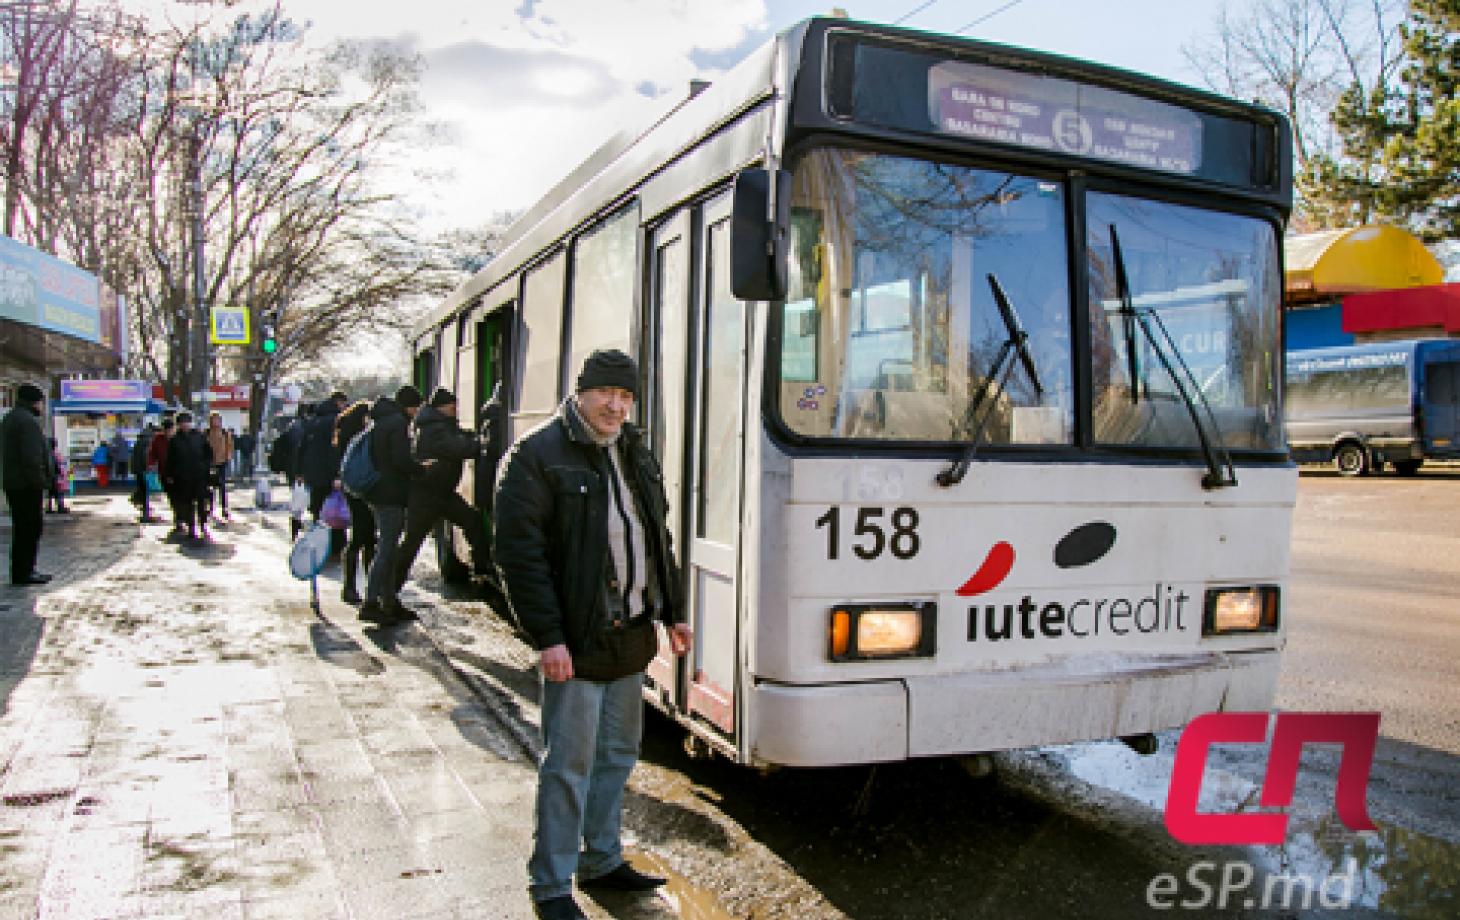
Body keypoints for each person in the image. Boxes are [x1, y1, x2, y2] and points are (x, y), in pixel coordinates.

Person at [493, 350, 693, 920]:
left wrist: (674, 609)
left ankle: (602, 860)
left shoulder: (634, 451)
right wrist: (548, 636)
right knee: (568, 765)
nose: (615, 405)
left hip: (628, 636)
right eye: (605, 393)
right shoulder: (537, 456)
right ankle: (551, 885)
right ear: (580, 393)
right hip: (576, 641)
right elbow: (519, 555)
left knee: (617, 756)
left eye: (626, 397)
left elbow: (658, 538)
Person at [392, 387, 491, 595]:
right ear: (442, 407)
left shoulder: (438, 425)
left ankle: (482, 567)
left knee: (471, 521)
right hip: (427, 496)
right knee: (410, 545)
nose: (456, 409)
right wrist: (482, 442)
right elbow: (460, 448)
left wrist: (473, 437)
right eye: (452, 406)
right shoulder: (434, 429)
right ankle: (387, 592)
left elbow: (460, 438)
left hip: (441, 493)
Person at [358, 386, 429, 624]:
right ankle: (370, 603)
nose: (417, 411)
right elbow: (400, 459)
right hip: (390, 494)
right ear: (409, 406)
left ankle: (388, 601)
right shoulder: (397, 424)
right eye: (416, 407)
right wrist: (420, 468)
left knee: (387, 549)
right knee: (386, 549)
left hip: (379, 492)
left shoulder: (381, 422)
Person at [2, 384, 53, 586]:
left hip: (15, 482)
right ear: (35, 401)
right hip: (26, 485)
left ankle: (21, 571)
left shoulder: (11, 418)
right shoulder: (27, 422)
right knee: (30, 528)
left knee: (22, 528)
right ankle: (25, 571)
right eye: (41, 401)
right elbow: (31, 457)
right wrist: (40, 481)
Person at [333, 401, 376, 605]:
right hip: (362, 489)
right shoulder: (360, 437)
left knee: (363, 536)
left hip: (352, 489)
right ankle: (362, 586)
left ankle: (355, 585)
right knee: (363, 536)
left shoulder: (344, 434)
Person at [295, 392, 347, 552]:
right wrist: (337, 474)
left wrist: (299, 471)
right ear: (338, 403)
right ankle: (337, 545)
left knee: (318, 510)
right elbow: (334, 450)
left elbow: (301, 448)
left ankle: (321, 544)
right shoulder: (337, 421)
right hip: (330, 474)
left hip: (312, 474)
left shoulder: (312, 422)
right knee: (336, 510)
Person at [163, 412, 213, 541]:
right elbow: (170, 459)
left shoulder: (199, 436)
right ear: (179, 425)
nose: (185, 425)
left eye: (187, 422)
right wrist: (170, 474)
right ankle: (191, 526)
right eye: (182, 422)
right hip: (183, 477)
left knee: (202, 501)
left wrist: (206, 467)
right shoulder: (175, 440)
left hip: (199, 475)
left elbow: (208, 453)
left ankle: (203, 524)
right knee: (187, 502)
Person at [148, 418, 178, 531]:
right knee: (170, 494)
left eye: (170, 430)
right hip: (164, 472)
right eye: (166, 430)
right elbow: (152, 453)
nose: (168, 433)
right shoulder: (158, 439)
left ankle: (180, 517)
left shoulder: (178, 439)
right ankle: (177, 513)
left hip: (178, 472)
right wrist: (151, 464)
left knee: (179, 495)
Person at [204, 413, 234, 521]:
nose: (215, 422)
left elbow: (229, 447)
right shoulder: (206, 433)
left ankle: (224, 508)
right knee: (209, 487)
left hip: (222, 462)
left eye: (217, 420)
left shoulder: (225, 433)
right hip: (209, 463)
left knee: (222, 486)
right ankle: (210, 507)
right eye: (213, 420)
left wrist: (227, 458)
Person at [131, 423, 159, 523]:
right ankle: (146, 514)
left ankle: (145, 512)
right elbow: (146, 456)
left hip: (138, 469)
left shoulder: (140, 440)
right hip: (144, 470)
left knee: (143, 490)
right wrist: (149, 467)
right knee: (146, 492)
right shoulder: (148, 441)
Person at [45, 437, 69, 514]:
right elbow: (60, 466)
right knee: (59, 493)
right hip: (56, 476)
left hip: (48, 477)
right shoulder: (56, 454)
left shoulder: (46, 454)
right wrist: (62, 474)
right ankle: (60, 507)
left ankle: (49, 508)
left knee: (50, 493)